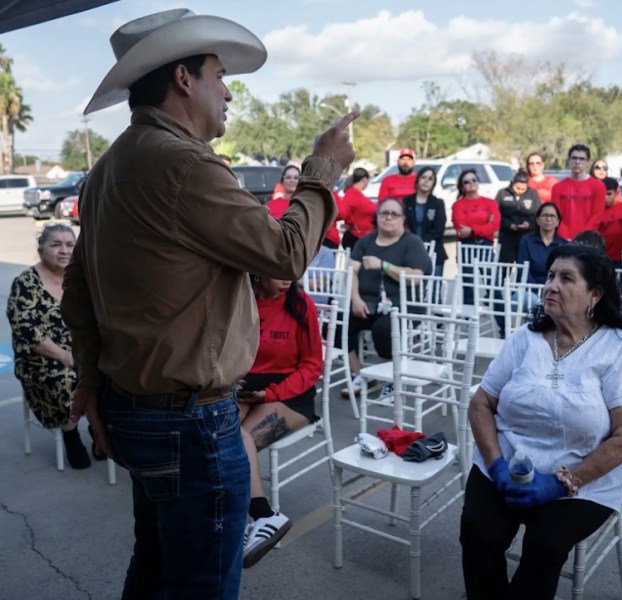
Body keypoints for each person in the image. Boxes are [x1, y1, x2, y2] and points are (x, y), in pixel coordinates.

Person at [62, 9, 355, 599]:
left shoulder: (109, 166)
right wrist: (324, 168)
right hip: (189, 418)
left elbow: (78, 290)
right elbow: (286, 251)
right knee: (200, 583)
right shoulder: (185, 164)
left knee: (154, 568)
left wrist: (92, 382)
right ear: (183, 78)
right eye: (219, 75)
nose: (228, 93)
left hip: (139, 407)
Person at [461, 243, 622, 600]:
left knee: (544, 545)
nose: (551, 285)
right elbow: (482, 402)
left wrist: (562, 483)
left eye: (566, 278)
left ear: (594, 294)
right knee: (478, 530)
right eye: (549, 276)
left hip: (584, 476)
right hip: (509, 462)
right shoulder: (525, 338)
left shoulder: (619, 348)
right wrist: (496, 465)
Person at [237, 277, 323, 568]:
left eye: (292, 270)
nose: (287, 277)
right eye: (279, 270)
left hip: (290, 393)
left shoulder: (300, 304)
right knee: (213, 433)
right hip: (243, 389)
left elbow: (312, 366)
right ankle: (230, 517)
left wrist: (270, 394)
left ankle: (262, 515)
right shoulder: (239, 299)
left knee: (236, 440)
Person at [6, 224, 97, 469]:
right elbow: (27, 330)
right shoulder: (25, 283)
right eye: (56, 244)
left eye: (70, 245)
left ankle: (100, 429)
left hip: (82, 352)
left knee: (114, 372)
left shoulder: (84, 278)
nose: (64, 250)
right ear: (41, 249)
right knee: (64, 378)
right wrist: (65, 356)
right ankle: (71, 434)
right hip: (42, 358)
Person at [344, 198, 432, 399]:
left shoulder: (412, 243)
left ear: (403, 219)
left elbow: (415, 278)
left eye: (394, 214)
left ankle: (393, 380)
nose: (388, 217)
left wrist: (383, 265)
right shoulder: (365, 241)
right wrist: (356, 299)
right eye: (384, 213)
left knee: (383, 330)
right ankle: (361, 374)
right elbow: (351, 272)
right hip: (367, 303)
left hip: (404, 306)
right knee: (336, 325)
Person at [452, 169, 501, 305]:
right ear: (462, 187)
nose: (471, 183)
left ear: (478, 182)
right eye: (466, 182)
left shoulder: (490, 203)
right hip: (466, 247)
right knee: (469, 289)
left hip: (486, 245)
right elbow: (461, 229)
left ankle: (504, 325)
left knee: (493, 287)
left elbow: (494, 226)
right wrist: (484, 227)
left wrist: (473, 230)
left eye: (474, 180)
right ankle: (470, 325)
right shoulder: (458, 205)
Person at [550, 144, 606, 240]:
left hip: (588, 239)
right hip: (563, 239)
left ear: (588, 162)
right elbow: (556, 216)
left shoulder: (598, 187)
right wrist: (565, 237)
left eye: (582, 159)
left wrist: (582, 237)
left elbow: (597, 216)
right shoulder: (557, 187)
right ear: (569, 160)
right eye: (574, 158)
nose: (577, 162)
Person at [402, 165, 447, 277]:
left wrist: (420, 243)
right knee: (411, 289)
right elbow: (401, 224)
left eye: (430, 179)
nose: (426, 181)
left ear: (433, 184)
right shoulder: (407, 201)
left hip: (433, 252)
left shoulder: (438, 203)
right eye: (423, 177)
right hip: (409, 251)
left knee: (433, 291)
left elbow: (439, 229)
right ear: (417, 180)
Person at [517, 202, 569, 285]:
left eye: (552, 216)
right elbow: (523, 269)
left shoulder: (564, 245)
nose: (548, 219)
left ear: (558, 222)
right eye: (545, 215)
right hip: (530, 290)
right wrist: (536, 289)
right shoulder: (527, 241)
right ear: (537, 220)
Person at [495, 170, 541, 264]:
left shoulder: (533, 194)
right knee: (504, 267)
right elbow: (496, 215)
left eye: (523, 189)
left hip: (526, 236)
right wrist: (508, 225)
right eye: (517, 188)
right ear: (512, 183)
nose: (519, 191)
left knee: (524, 267)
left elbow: (538, 215)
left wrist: (529, 224)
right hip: (507, 237)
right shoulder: (502, 193)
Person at [596, 177, 622, 269]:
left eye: (609, 194)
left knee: (621, 282)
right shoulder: (596, 211)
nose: (605, 197)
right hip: (603, 256)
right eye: (603, 194)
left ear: (616, 193)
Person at [342, 167, 376, 250]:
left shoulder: (356, 194)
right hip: (357, 237)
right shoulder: (352, 194)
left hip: (365, 236)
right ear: (364, 180)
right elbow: (344, 211)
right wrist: (351, 223)